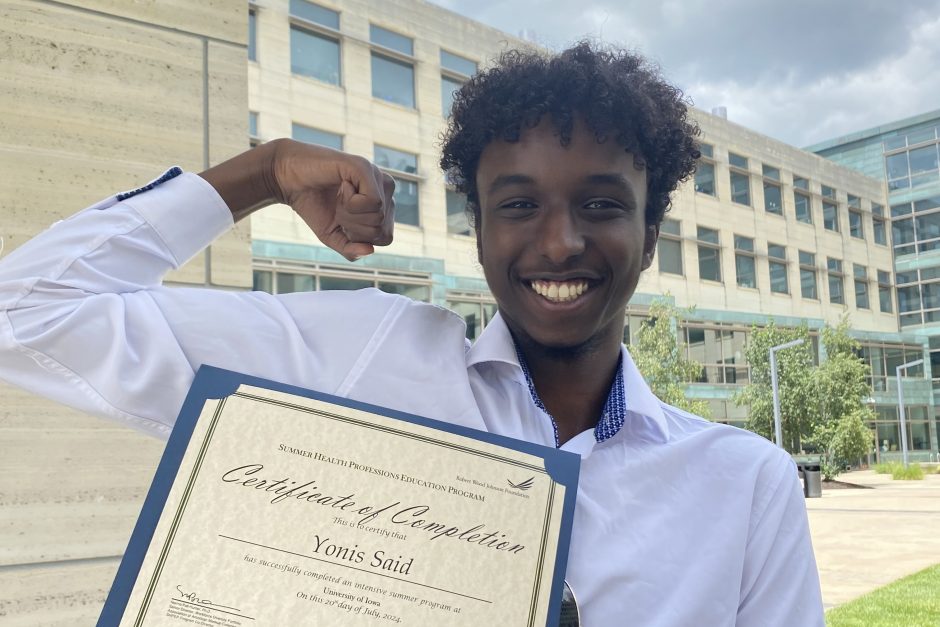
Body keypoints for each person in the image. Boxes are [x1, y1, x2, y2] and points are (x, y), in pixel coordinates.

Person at [0, 42, 823, 624]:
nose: (561, 240)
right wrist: (265, 170)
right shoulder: (362, 362)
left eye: (602, 204)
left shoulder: (744, 486)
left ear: (649, 235)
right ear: (479, 229)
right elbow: (28, 312)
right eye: (519, 203)